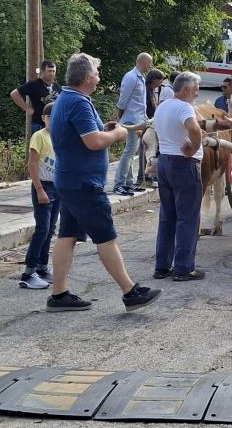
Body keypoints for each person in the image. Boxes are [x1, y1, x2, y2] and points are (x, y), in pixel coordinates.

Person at [48, 53, 161, 312]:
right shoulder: (78, 103)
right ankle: (130, 292)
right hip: (83, 184)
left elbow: (86, 134)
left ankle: (59, 294)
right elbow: (93, 142)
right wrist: (118, 133)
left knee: (68, 235)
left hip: (70, 180)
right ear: (87, 78)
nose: (99, 77)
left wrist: (105, 128)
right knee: (106, 237)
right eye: (97, 73)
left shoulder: (67, 98)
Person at [153, 72, 207, 281]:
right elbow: (194, 129)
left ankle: (162, 266)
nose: (198, 92)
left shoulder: (163, 105)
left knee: (168, 216)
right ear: (186, 90)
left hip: (165, 161)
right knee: (188, 217)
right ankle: (184, 268)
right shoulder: (185, 107)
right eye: (196, 88)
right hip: (184, 164)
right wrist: (194, 147)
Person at [20, 103, 59, 289]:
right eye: (49, 116)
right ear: (44, 118)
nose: (52, 119)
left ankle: (42, 268)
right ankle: (28, 273)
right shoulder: (39, 136)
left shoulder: (60, 137)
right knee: (42, 229)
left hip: (58, 187)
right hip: (44, 186)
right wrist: (39, 189)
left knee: (50, 229)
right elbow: (32, 164)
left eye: (56, 116)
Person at [113, 52, 153, 195]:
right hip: (129, 120)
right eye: (149, 62)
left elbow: (139, 103)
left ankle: (128, 182)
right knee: (130, 150)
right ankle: (119, 183)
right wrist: (120, 119)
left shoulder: (140, 77)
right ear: (142, 62)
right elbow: (123, 100)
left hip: (137, 120)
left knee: (132, 151)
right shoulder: (131, 77)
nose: (150, 65)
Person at [10, 60, 60, 133]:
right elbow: (14, 94)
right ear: (42, 71)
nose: (52, 74)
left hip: (54, 124)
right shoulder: (34, 84)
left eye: (53, 71)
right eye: (49, 71)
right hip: (39, 125)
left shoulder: (56, 86)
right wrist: (27, 108)